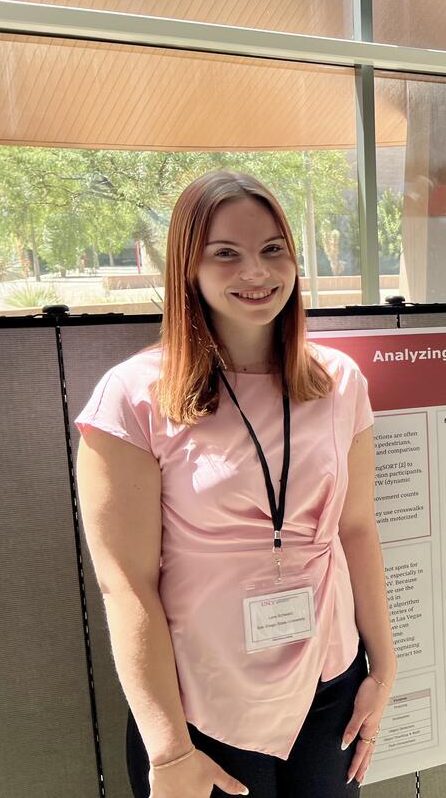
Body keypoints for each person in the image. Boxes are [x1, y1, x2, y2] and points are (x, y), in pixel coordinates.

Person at [75, 170, 397, 797]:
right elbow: (126, 584)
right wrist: (169, 751)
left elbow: (357, 529)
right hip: (203, 703)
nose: (256, 271)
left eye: (273, 249)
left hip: (330, 686)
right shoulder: (134, 396)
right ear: (187, 268)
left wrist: (382, 668)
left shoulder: (339, 382)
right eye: (226, 253)